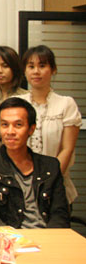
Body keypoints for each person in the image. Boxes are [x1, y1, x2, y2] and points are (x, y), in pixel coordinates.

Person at [0, 97, 69, 228]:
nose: (10, 132)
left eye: (18, 125)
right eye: (5, 125)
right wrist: (9, 235)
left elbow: (60, 214)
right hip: (7, 236)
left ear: (31, 129)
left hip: (47, 235)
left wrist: (50, 237)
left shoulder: (50, 166)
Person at [18, 45, 82, 203]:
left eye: (42, 66)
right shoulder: (17, 103)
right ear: (25, 71)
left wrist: (48, 182)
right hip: (20, 187)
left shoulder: (66, 104)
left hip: (56, 186)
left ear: (53, 69)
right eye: (31, 66)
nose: (36, 71)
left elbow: (67, 149)